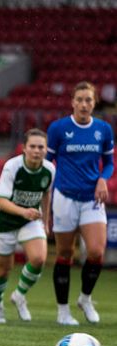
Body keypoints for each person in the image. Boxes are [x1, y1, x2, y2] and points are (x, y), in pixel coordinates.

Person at [46, 81, 114, 326]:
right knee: (65, 253)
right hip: (64, 197)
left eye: (89, 100)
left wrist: (103, 180)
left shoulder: (104, 129)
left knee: (96, 252)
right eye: (80, 100)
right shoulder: (58, 128)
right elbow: (48, 161)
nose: (84, 104)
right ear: (72, 102)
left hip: (91, 199)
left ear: (95, 102)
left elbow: (108, 163)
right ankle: (62, 311)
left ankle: (85, 298)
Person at [0, 129, 55, 324]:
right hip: (4, 221)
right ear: (24, 148)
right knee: (3, 270)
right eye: (32, 146)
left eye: (40, 147)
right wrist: (23, 211)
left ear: (46, 149)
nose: (36, 151)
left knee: (38, 259)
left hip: (30, 220)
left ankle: (19, 295)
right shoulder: (12, 167)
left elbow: (46, 194)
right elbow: (1, 201)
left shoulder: (50, 169)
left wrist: (45, 220)